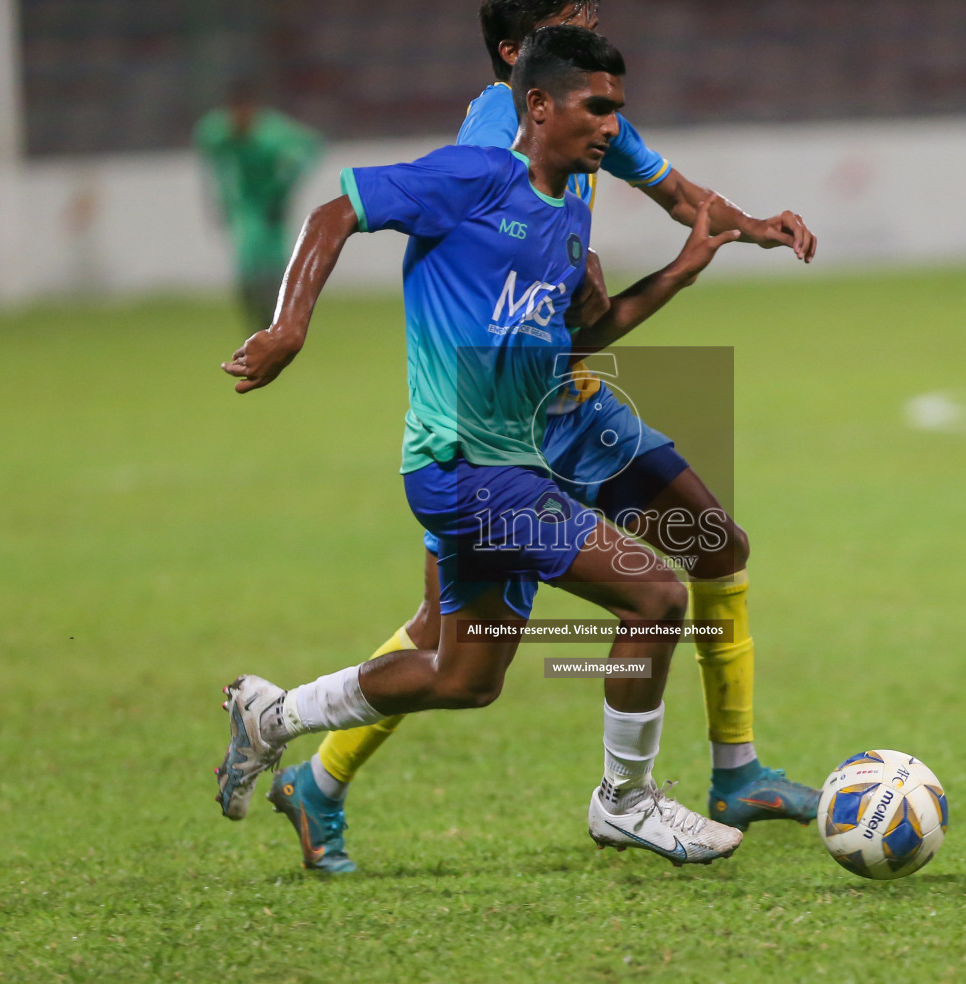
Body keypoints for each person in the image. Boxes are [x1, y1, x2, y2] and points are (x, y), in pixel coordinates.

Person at [267, 0, 821, 874]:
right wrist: (294, 324)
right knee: (474, 640)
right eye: (573, 18)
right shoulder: (496, 141)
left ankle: (736, 773)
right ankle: (324, 776)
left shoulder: (585, 135)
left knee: (710, 548)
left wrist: (738, 231)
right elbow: (400, 227)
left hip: (567, 399)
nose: (609, 115)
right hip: (498, 429)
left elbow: (677, 195)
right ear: (522, 66)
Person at [194, 81, 323, 331]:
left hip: (272, 200)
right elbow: (215, 168)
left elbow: (310, 147)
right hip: (245, 202)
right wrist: (219, 202)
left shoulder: (273, 133)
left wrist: (287, 187)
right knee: (248, 256)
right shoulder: (215, 131)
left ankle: (276, 319)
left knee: (274, 259)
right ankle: (257, 319)